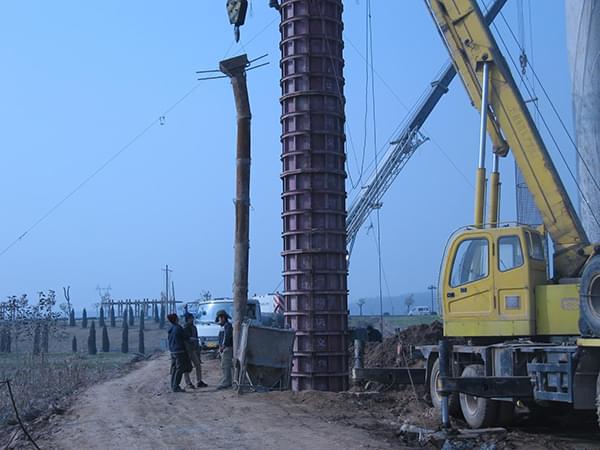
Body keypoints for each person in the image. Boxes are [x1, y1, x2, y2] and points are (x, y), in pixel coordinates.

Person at [167, 313, 192, 393]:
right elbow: (186, 337)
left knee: (174, 368)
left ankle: (173, 385)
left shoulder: (170, 329)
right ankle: (176, 386)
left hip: (173, 351)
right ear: (175, 319)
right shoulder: (178, 328)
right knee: (179, 369)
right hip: (180, 351)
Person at [182, 312, 208, 388]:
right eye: (191, 318)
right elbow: (186, 339)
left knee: (198, 365)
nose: (192, 319)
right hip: (187, 350)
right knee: (187, 367)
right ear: (188, 319)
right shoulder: (185, 328)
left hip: (193, 349)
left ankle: (199, 381)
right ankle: (188, 383)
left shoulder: (193, 327)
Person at [216, 309, 233, 390]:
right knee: (224, 366)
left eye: (219, 318)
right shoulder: (223, 326)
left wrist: (222, 347)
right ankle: (227, 380)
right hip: (223, 349)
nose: (218, 320)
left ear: (223, 318)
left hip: (227, 348)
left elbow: (226, 338)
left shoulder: (228, 326)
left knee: (226, 366)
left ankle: (226, 382)